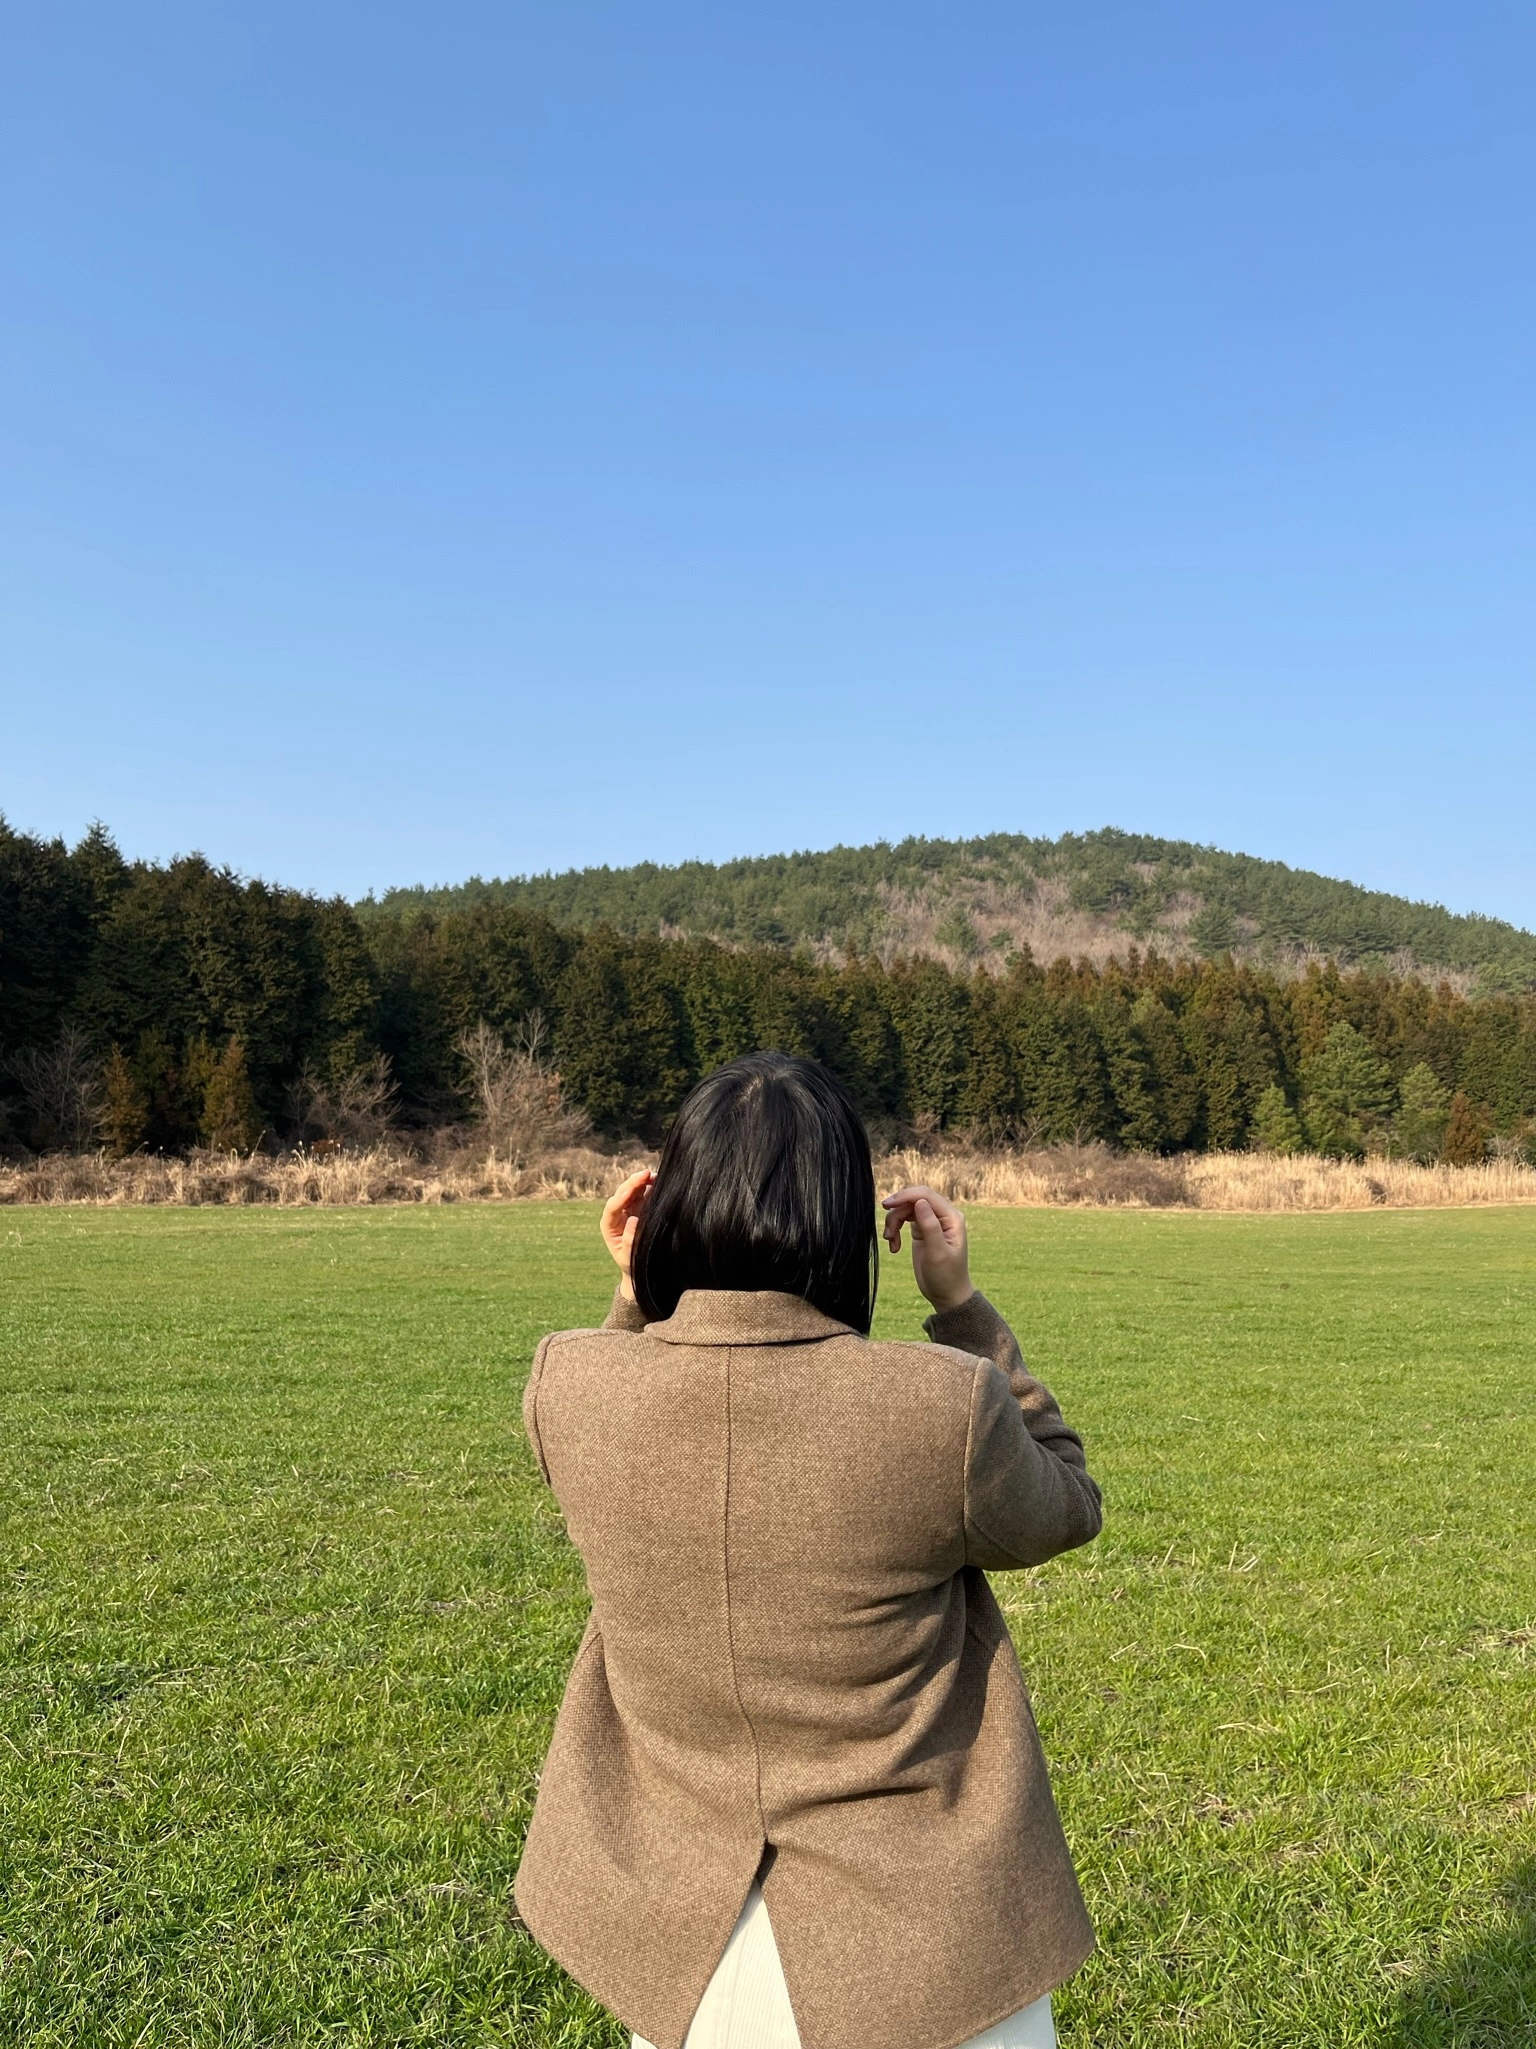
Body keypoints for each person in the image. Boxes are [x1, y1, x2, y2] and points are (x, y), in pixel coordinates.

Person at [515, 1052, 1103, 2049]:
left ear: (668, 1205)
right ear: (845, 1222)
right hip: (927, 1957)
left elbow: (593, 1410)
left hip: (678, 1949)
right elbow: (1067, 1503)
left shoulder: (567, 1385)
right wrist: (964, 1311)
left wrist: (634, 1294)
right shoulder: (939, 1404)